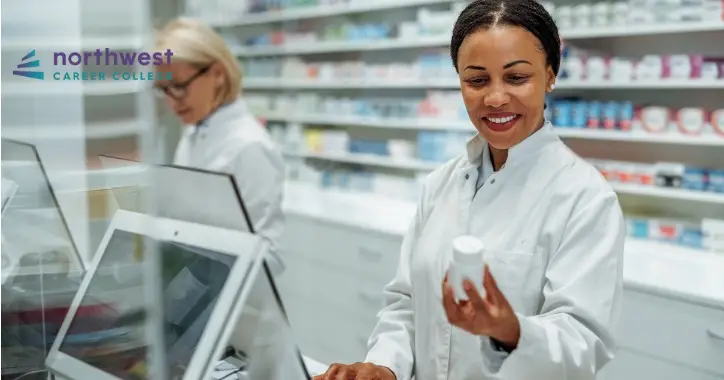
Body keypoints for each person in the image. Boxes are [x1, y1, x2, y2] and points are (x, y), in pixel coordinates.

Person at [315, 0, 625, 379]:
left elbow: (582, 344)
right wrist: (385, 366)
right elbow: (406, 303)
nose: (494, 98)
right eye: (477, 80)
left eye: (516, 78)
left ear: (550, 74)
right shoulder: (440, 183)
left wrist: (508, 329)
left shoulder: (585, 198)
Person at [153, 18, 286, 273]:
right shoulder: (194, 133)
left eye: (179, 86)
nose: (172, 102)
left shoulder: (250, 147)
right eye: (164, 89)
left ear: (217, 75)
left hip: (237, 303)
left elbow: (269, 258)